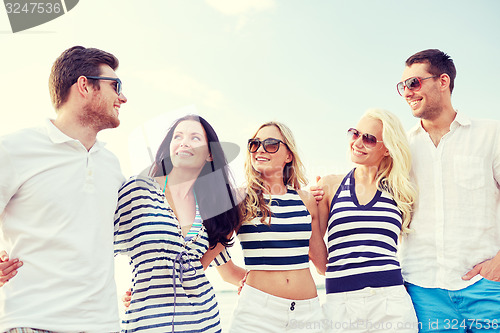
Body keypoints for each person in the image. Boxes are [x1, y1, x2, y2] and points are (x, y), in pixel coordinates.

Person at [0, 46, 127, 332]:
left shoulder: (112, 165)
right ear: (84, 85)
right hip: (31, 322)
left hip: (102, 325)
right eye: (115, 85)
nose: (123, 97)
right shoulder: (13, 149)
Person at [396, 49, 500, 332]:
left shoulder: (491, 134)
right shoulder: (401, 147)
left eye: (414, 83)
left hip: (487, 287)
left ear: (443, 81)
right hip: (423, 292)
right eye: (402, 86)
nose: (407, 92)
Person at [114, 114, 242, 332]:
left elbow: (205, 267)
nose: (184, 142)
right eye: (178, 137)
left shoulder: (213, 210)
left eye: (195, 138)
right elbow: (100, 246)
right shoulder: (139, 189)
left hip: (204, 323)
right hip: (146, 324)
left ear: (210, 155)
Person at [217, 121, 327, 333]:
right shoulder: (240, 198)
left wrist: (329, 201)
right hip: (256, 314)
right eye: (254, 144)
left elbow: (322, 265)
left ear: (288, 155)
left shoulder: (306, 200)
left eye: (270, 144)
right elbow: (215, 252)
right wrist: (246, 280)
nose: (260, 149)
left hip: (308, 313)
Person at [316, 109, 418, 333]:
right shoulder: (329, 185)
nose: (358, 142)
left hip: (391, 303)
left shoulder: (401, 191)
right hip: (340, 304)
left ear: (388, 149)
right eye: (355, 133)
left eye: (369, 139)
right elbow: (315, 248)